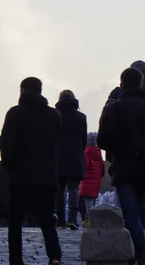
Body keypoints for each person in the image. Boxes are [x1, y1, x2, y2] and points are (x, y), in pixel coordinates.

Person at [0, 77, 62, 265]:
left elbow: (6, 142)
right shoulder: (54, 115)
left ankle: (16, 259)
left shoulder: (15, 113)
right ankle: (55, 256)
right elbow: (57, 141)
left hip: (21, 177)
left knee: (16, 221)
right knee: (47, 219)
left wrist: (9, 166)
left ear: (23, 91)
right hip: (47, 176)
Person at [98, 67, 145, 264]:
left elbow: (102, 141)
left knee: (129, 210)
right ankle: (137, 249)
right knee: (139, 209)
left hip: (124, 167)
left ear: (121, 84)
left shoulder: (113, 108)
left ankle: (140, 252)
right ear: (141, 83)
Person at [54, 89, 87, 229]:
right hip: (75, 154)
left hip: (58, 155)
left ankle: (61, 218)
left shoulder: (55, 115)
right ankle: (73, 217)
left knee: (59, 188)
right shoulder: (81, 117)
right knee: (73, 188)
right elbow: (84, 139)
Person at [79, 132, 105, 227]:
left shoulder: (86, 152)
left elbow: (85, 166)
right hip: (96, 180)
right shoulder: (98, 153)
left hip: (87, 180)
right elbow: (102, 168)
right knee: (92, 200)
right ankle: (88, 218)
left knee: (88, 202)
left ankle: (91, 219)